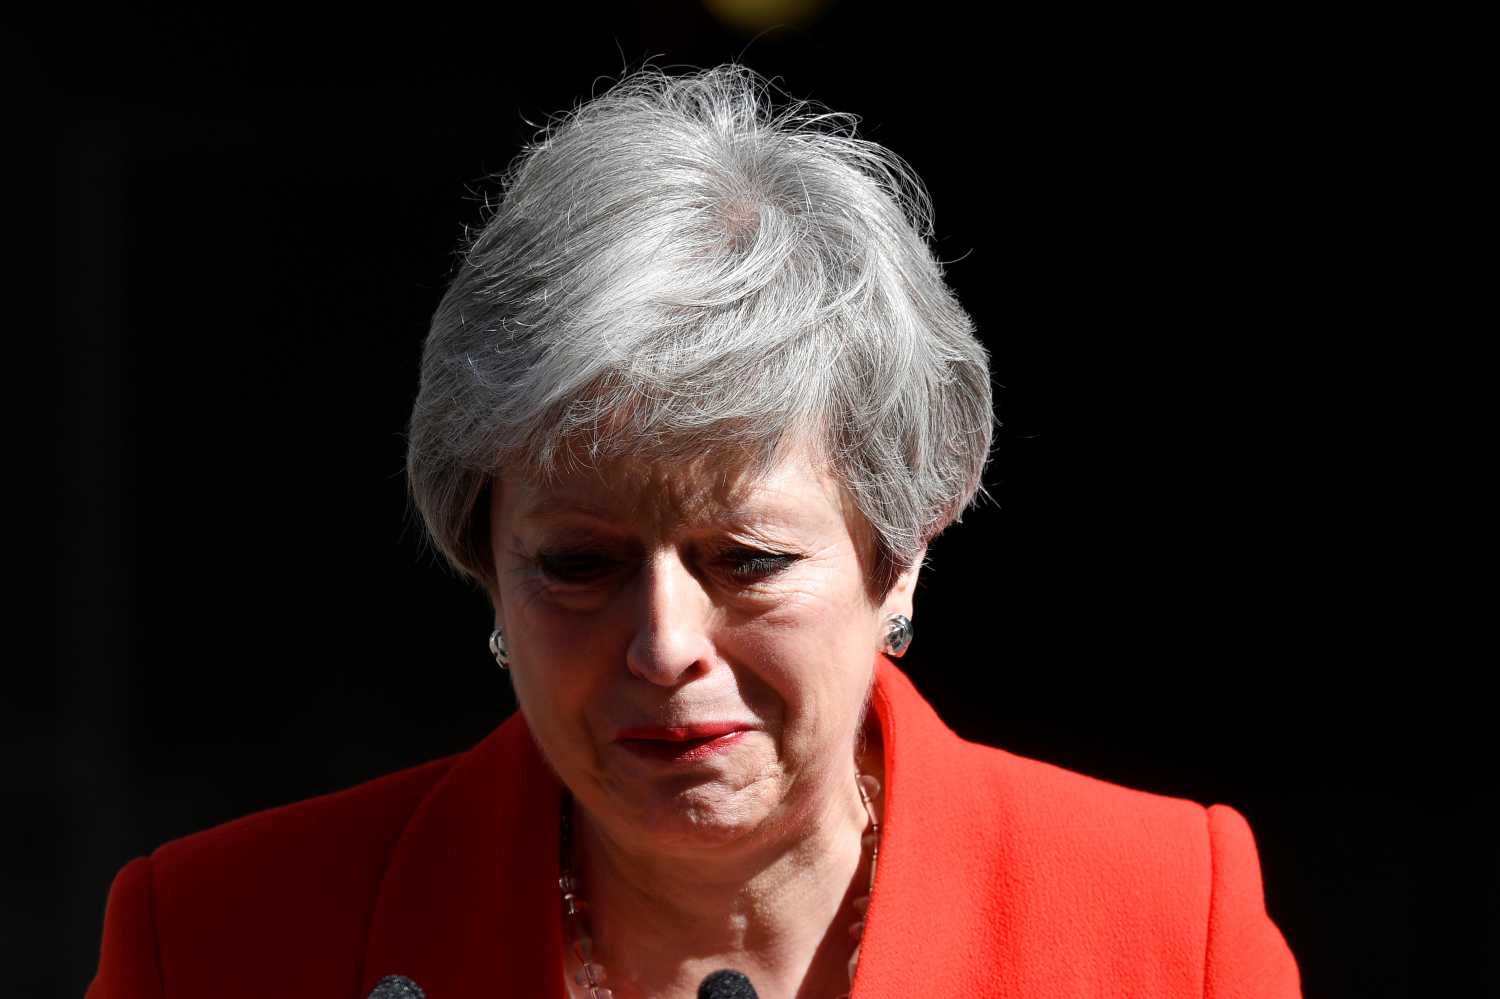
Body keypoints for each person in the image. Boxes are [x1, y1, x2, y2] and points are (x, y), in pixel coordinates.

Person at [87, 64, 1301, 998]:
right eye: (579, 565)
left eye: (747, 560)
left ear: (903, 548)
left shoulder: (1161, 919)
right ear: (483, 561)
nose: (665, 645)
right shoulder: (209, 939)